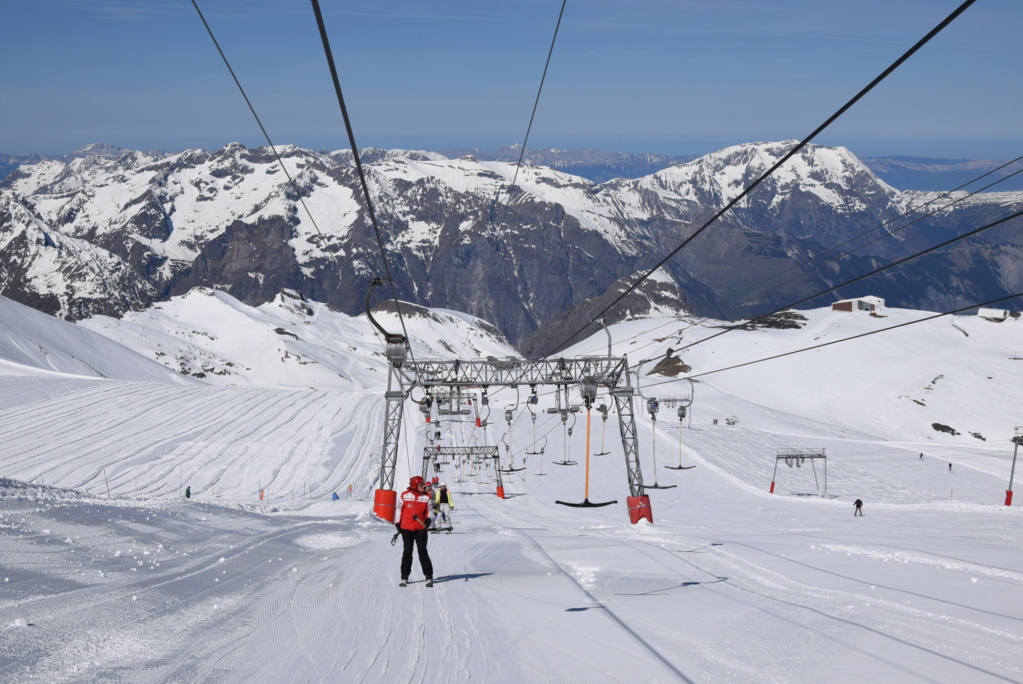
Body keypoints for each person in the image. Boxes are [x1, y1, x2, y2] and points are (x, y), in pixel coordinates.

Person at [395, 476, 434, 587]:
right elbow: (399, 509)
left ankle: (428, 576)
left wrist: (428, 519)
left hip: (420, 528)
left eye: (423, 484)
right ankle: (404, 576)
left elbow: (430, 510)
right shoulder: (405, 495)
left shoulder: (427, 497)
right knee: (407, 551)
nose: (424, 486)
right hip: (407, 528)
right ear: (414, 486)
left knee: (422, 551)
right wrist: (397, 523)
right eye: (421, 485)